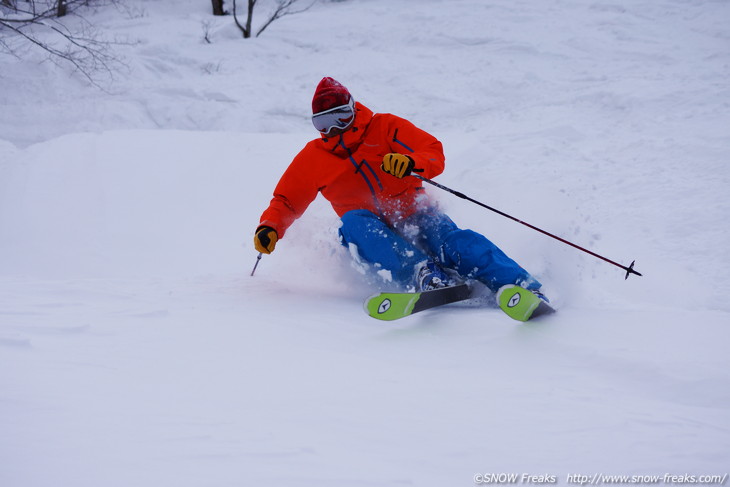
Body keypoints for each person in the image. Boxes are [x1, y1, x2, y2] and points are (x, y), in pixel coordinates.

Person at [254, 77, 543, 296]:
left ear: (353, 109)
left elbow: (431, 150)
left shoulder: (386, 127)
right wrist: (270, 226)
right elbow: (287, 199)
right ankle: (423, 274)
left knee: (453, 241)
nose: (334, 129)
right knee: (353, 221)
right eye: (323, 122)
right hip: (370, 237)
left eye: (339, 117)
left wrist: (411, 162)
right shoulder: (313, 157)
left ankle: (519, 283)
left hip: (414, 215)